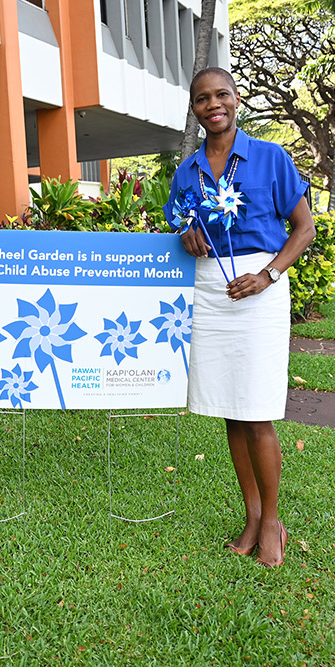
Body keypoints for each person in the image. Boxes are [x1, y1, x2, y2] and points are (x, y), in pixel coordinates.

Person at [164, 67, 315, 567]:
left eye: (221, 95)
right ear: (194, 108)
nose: (213, 105)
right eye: (203, 99)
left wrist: (268, 275)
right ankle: (251, 515)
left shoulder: (270, 156)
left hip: (259, 287)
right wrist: (187, 231)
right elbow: (181, 220)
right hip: (211, 289)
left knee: (257, 410)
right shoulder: (187, 170)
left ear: (236, 99)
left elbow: (304, 228)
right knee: (231, 407)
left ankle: (273, 521)